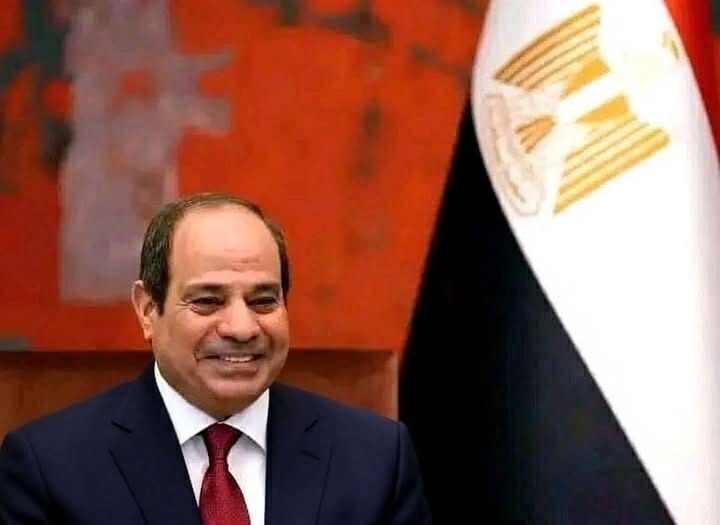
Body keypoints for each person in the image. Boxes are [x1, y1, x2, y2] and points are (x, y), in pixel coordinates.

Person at [0, 192, 431, 525]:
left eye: (263, 301)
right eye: (207, 301)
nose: (242, 328)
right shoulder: (48, 468)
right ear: (148, 310)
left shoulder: (377, 459)